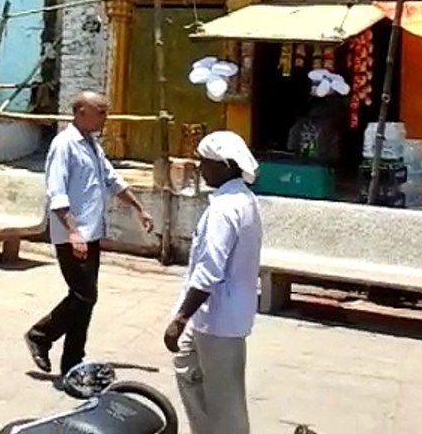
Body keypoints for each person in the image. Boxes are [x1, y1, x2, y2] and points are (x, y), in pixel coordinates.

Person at [25, 91, 154, 376]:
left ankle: (72, 360)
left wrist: (139, 208)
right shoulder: (64, 145)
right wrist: (73, 233)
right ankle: (40, 335)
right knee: (84, 295)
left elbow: (112, 179)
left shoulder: (92, 145)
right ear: (81, 111)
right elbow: (56, 193)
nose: (106, 117)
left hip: (91, 232)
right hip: (71, 232)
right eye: (101, 111)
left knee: (85, 296)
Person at [163, 130, 263, 434]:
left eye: (204, 163)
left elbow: (209, 272)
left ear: (224, 165)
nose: (200, 168)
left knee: (226, 400)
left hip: (221, 319)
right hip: (215, 316)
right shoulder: (241, 200)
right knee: (186, 366)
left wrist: (180, 319)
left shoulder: (224, 209)